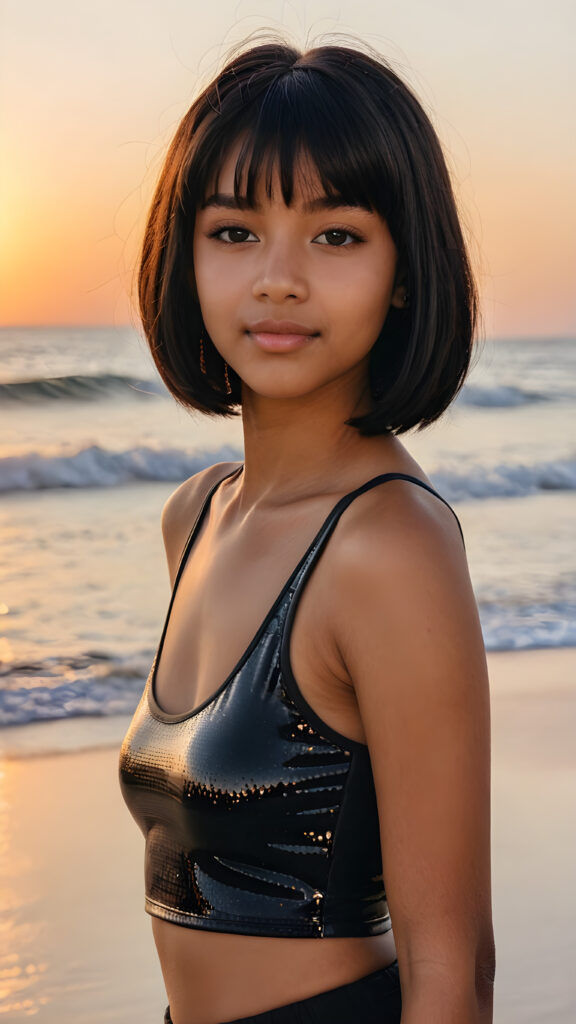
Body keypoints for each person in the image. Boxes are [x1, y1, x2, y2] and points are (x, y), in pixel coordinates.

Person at [119, 37, 495, 1024]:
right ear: (183, 252)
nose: (279, 279)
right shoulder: (194, 516)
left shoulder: (389, 550)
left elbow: (453, 972)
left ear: (405, 270)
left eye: (336, 236)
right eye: (235, 232)